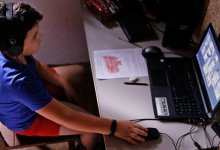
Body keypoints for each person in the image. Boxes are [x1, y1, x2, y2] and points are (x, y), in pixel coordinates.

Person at [0, 2, 148, 149]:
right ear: (15, 47)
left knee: (80, 72)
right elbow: (67, 117)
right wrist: (114, 127)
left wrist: (61, 82)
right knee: (91, 130)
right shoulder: (18, 82)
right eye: (34, 37)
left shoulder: (9, 49)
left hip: (30, 90)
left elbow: (36, 65)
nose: (41, 38)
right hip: (28, 120)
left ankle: (69, 101)